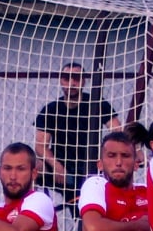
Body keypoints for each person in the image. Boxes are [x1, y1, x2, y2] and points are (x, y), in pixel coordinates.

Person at [33, 63, 118, 203]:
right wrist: (56, 166)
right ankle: (33, 207)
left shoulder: (96, 103)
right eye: (67, 78)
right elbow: (40, 146)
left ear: (83, 81)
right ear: (61, 80)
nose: (71, 83)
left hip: (91, 166)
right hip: (61, 168)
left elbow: (117, 131)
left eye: (76, 78)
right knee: (31, 165)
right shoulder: (51, 109)